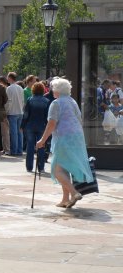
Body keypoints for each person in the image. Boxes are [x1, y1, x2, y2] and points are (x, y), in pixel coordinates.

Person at [36, 78, 94, 209]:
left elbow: (52, 123)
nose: (51, 91)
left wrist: (42, 140)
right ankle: (65, 199)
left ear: (56, 90)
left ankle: (74, 193)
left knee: (57, 170)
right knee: (64, 168)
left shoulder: (56, 103)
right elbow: (79, 119)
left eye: (52, 89)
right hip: (77, 137)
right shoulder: (72, 101)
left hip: (64, 138)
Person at [21, 82, 49, 173]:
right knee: (41, 146)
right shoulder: (46, 101)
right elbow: (47, 116)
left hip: (30, 126)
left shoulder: (30, 100)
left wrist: (22, 125)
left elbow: (26, 114)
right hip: (42, 126)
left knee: (30, 146)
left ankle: (29, 167)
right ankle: (41, 167)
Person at [6, 72, 25, 156]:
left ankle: (14, 150)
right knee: (20, 132)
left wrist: (7, 111)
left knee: (13, 133)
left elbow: (8, 102)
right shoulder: (20, 88)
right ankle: (19, 150)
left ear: (10, 78)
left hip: (12, 112)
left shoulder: (9, 88)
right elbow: (22, 100)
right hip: (20, 112)